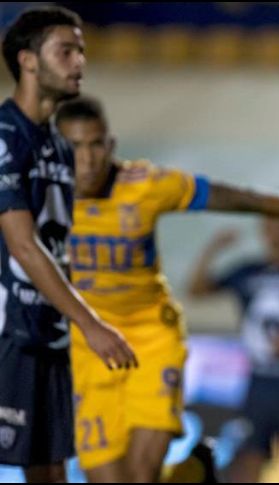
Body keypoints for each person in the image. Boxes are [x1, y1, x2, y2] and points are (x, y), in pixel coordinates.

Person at [54, 95, 279, 482]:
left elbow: (238, 198)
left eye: (95, 145)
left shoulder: (146, 185)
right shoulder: (41, 198)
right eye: (74, 148)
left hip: (150, 340)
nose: (87, 159)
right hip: (89, 347)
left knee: (141, 475)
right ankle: (191, 472)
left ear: (110, 145)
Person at [0, 8, 137, 483]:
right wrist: (91, 324)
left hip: (46, 333)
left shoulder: (58, 147)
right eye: (67, 50)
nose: (80, 61)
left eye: (81, 50)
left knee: (50, 469)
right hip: (7, 334)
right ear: (29, 61)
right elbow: (22, 246)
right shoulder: (4, 137)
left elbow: (58, 248)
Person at [188, 218, 279, 483]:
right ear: (263, 230)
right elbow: (196, 290)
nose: (276, 231)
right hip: (259, 383)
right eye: (270, 225)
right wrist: (214, 248)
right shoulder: (247, 271)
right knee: (249, 460)